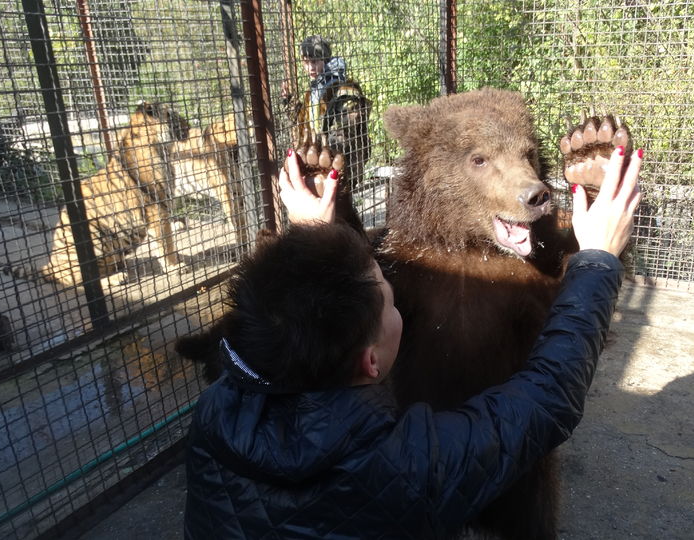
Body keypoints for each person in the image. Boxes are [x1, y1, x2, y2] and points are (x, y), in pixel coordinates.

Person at [181, 146, 643, 538]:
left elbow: (283, 310)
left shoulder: (216, 413)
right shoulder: (406, 468)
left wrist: (317, 233)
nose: (395, 298)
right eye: (391, 301)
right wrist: (598, 260)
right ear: (371, 363)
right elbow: (548, 399)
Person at [282, 36, 371, 184]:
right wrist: (289, 101)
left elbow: (345, 131)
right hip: (320, 162)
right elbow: (303, 122)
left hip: (341, 165)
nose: (310, 67)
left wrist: (323, 151)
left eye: (314, 61)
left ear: (325, 60)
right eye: (306, 62)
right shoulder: (314, 91)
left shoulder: (342, 89)